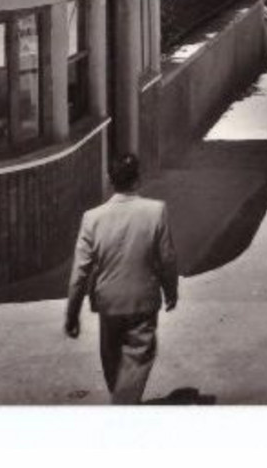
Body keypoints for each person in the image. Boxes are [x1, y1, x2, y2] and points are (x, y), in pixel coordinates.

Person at [65, 154, 179, 405]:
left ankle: (123, 404)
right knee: (136, 361)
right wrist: (171, 292)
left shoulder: (92, 218)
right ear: (138, 179)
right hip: (142, 302)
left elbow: (80, 273)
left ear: (109, 180)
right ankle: (123, 411)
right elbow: (167, 259)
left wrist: (72, 314)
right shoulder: (156, 211)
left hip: (108, 303)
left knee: (113, 362)